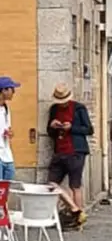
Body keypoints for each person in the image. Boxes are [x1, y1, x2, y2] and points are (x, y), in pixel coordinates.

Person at [47, 83, 92, 225]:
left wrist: (72, 128)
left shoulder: (79, 108)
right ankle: (75, 209)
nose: (62, 104)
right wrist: (52, 126)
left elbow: (89, 129)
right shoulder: (54, 109)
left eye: (64, 101)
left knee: (75, 185)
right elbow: (50, 133)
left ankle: (79, 219)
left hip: (76, 151)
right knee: (51, 183)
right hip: (59, 151)